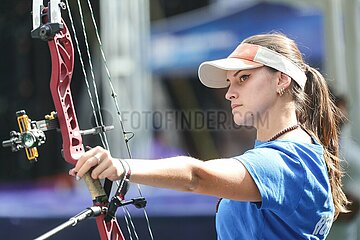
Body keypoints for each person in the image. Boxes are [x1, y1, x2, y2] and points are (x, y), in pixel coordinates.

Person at [69, 33, 348, 239]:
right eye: (229, 82)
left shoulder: (289, 160)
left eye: (243, 78)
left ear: (282, 80)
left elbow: (196, 176)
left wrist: (122, 167)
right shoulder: (294, 151)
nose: (230, 93)